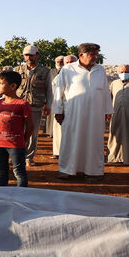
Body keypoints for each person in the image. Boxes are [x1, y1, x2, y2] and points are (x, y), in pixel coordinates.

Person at [52, 43, 112, 179]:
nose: (95, 57)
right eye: (92, 54)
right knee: (71, 140)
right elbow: (59, 91)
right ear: (81, 55)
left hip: (96, 114)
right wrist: (58, 111)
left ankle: (93, 172)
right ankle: (68, 170)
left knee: (94, 141)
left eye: (97, 54)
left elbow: (105, 92)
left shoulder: (100, 70)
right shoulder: (68, 69)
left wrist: (108, 110)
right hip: (73, 113)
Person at [0, 70, 33, 186]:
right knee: (1, 172)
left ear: (13, 86)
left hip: (15, 145)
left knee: (19, 172)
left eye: (1, 83)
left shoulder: (23, 104)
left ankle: (20, 196)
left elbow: (30, 125)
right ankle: (2, 195)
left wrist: (23, 140)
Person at [13, 45, 52, 166]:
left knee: (32, 132)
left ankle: (28, 157)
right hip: (18, 105)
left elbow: (49, 89)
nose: (28, 57)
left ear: (37, 55)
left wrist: (49, 105)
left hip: (35, 106)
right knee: (17, 132)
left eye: (31, 54)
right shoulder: (17, 70)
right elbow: (11, 87)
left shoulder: (45, 71)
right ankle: (16, 156)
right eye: (26, 55)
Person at [51, 55, 77, 158]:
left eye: (72, 62)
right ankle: (58, 152)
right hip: (61, 107)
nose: (70, 64)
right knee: (59, 131)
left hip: (76, 109)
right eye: (67, 62)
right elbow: (55, 93)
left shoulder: (82, 76)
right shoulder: (59, 76)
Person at [45, 56, 65, 138]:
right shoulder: (51, 72)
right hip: (52, 97)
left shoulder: (67, 71)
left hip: (64, 98)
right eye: (58, 62)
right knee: (51, 116)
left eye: (61, 62)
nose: (59, 63)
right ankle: (50, 133)